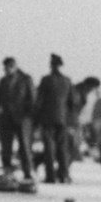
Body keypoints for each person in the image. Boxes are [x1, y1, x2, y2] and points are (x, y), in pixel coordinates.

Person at [0, 57, 35, 180]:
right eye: (5, 68)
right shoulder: (3, 81)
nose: (6, 70)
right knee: (6, 147)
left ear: (14, 66)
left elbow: (32, 100)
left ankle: (28, 172)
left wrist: (29, 117)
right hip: (6, 119)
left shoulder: (26, 79)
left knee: (24, 148)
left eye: (8, 67)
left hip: (22, 119)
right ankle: (7, 171)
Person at [33, 54, 74, 184]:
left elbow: (39, 101)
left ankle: (51, 176)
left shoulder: (46, 80)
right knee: (62, 148)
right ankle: (64, 175)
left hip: (47, 119)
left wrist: (36, 120)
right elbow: (72, 102)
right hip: (62, 120)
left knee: (49, 148)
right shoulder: (67, 81)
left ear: (51, 66)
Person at [68, 77, 100, 164]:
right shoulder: (76, 92)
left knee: (89, 145)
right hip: (75, 123)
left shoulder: (92, 94)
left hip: (86, 123)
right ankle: (62, 172)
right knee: (73, 147)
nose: (93, 90)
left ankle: (63, 171)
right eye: (93, 88)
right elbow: (73, 108)